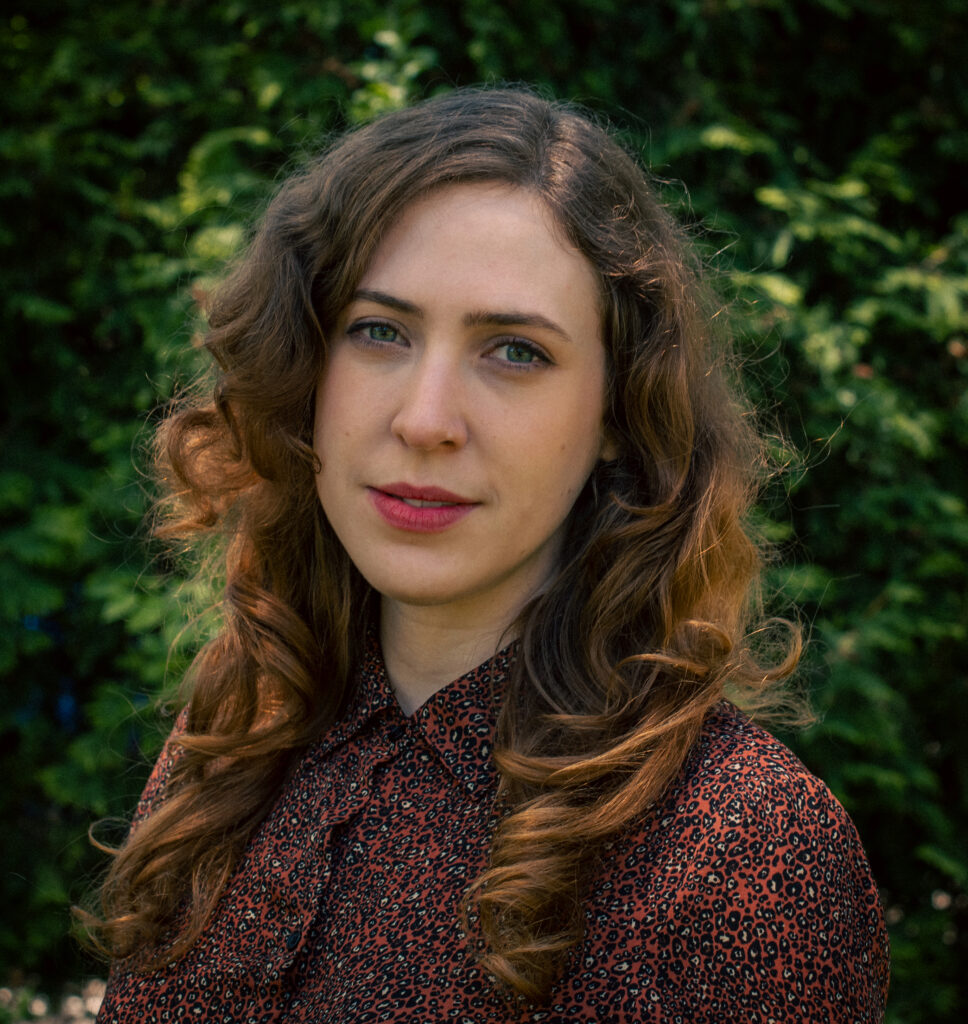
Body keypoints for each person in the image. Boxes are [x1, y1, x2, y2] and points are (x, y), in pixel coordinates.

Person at [85, 87, 889, 1022]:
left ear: (619, 418)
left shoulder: (744, 852)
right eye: (379, 331)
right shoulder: (228, 752)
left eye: (513, 350)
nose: (424, 420)